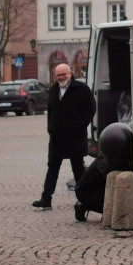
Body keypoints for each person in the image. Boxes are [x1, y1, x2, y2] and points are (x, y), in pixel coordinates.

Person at [32, 63, 96, 210]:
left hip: (75, 136)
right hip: (57, 138)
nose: (61, 77)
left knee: (78, 169)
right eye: (58, 75)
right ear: (55, 76)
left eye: (63, 74)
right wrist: (50, 128)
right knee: (52, 167)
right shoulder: (53, 90)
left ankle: (84, 201)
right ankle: (46, 199)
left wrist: (80, 126)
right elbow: (51, 111)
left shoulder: (81, 89)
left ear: (70, 73)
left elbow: (91, 108)